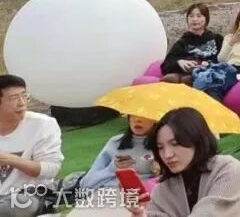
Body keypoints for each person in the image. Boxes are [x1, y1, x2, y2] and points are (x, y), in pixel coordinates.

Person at [128, 108, 240, 217]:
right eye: (160, 147)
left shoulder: (228, 170)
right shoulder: (164, 190)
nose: (167, 155)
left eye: (175, 144)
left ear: (196, 140)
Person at [0, 75, 63, 216]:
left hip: (32, 197)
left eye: (24, 96)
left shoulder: (43, 125)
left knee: (12, 207)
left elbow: (51, 169)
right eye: (14, 98)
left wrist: (9, 159)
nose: (22, 103)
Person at [195, 6, 240, 101]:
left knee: (219, 87)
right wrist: (231, 42)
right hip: (227, 68)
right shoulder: (229, 37)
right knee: (209, 85)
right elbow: (221, 59)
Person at [77, 116, 156, 191]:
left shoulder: (159, 144)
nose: (137, 120)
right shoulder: (115, 142)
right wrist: (113, 168)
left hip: (143, 193)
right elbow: (86, 183)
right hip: (108, 192)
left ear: (155, 119)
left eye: (142, 116)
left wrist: (160, 173)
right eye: (133, 116)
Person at [161, 4, 225, 86]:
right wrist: (179, 62)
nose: (195, 19)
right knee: (170, 78)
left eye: (199, 16)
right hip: (185, 73)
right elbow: (165, 65)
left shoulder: (216, 39)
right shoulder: (183, 42)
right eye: (191, 16)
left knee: (188, 79)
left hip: (209, 74)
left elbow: (225, 59)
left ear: (206, 18)